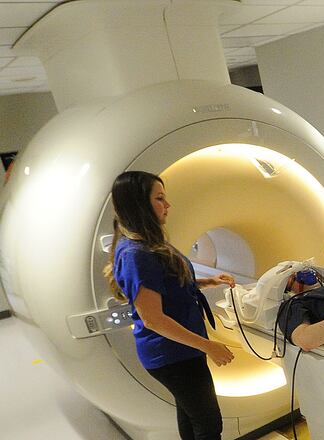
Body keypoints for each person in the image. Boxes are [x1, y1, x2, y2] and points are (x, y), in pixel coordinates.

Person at [103, 171, 235, 440]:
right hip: (173, 355)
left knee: (191, 417)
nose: (168, 205)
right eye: (160, 198)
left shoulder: (148, 243)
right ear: (139, 204)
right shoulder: (137, 254)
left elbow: (169, 284)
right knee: (209, 425)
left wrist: (210, 281)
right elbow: (153, 319)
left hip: (179, 351)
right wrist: (208, 346)